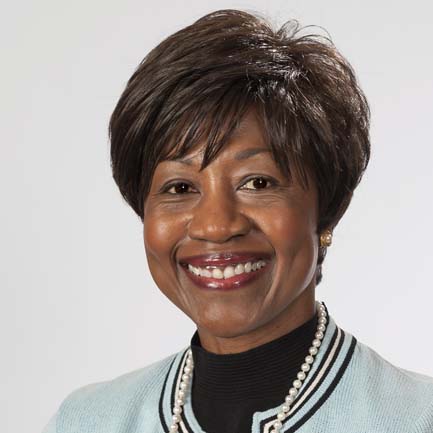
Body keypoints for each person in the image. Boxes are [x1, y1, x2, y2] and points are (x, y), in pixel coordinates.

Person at [42, 8, 433, 433]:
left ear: (328, 210)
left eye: (257, 182)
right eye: (179, 187)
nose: (215, 225)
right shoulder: (87, 421)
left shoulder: (416, 418)